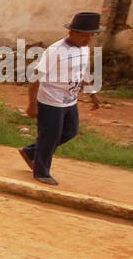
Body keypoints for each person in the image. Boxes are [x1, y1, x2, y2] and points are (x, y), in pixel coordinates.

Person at [19, 11, 103, 186]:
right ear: (72, 32)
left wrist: (92, 93)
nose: (88, 40)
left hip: (69, 100)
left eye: (91, 36)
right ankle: (41, 172)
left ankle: (30, 152)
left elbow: (83, 71)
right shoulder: (56, 51)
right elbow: (35, 78)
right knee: (50, 136)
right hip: (50, 100)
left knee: (70, 131)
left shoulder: (84, 48)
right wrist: (32, 105)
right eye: (84, 36)